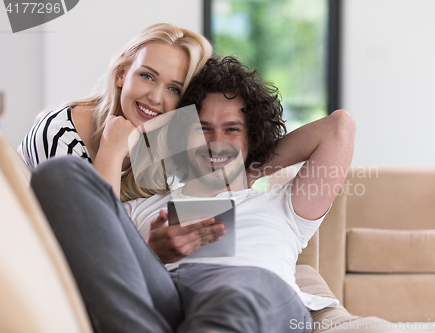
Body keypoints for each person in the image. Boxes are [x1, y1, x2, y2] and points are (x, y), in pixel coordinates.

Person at [30, 56, 357, 332]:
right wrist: (151, 252)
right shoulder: (144, 204)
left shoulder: (284, 206)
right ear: (180, 134)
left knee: (243, 291)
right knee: (59, 174)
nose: (216, 141)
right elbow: (99, 248)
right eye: (202, 128)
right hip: (167, 299)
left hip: (257, 300)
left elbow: (339, 127)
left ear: (252, 137)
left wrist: (242, 170)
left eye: (232, 129)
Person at [18, 23, 227, 263]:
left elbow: (217, 206)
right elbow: (97, 246)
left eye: (174, 89)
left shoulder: (165, 136)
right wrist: (112, 152)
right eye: (147, 76)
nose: (156, 97)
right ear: (121, 75)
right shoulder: (60, 134)